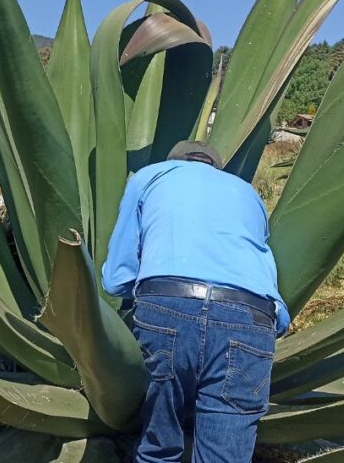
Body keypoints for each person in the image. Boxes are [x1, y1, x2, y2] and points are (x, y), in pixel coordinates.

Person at [102, 140, 290, 463]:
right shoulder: (248, 194)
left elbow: (116, 278)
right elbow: (264, 276)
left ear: (175, 161)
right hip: (249, 319)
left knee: (158, 449)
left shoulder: (150, 177)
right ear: (215, 169)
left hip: (168, 307)